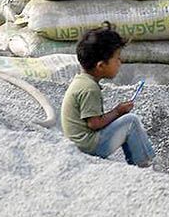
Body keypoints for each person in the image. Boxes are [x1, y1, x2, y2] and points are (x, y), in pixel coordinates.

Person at [61, 25, 155, 167]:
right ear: (100, 66)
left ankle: (136, 163)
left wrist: (117, 113)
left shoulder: (82, 81)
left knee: (126, 123)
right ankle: (145, 164)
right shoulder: (89, 88)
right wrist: (118, 111)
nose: (119, 63)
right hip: (88, 146)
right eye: (116, 59)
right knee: (131, 121)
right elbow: (94, 124)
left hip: (81, 144)